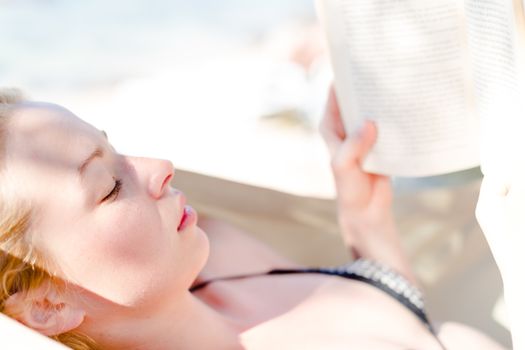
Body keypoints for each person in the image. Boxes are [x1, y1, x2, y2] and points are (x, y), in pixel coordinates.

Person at [0, 87, 505, 350]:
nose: (158, 169)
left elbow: (411, 327)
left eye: (117, 149)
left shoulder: (226, 252)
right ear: (45, 304)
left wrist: (365, 219)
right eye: (110, 188)